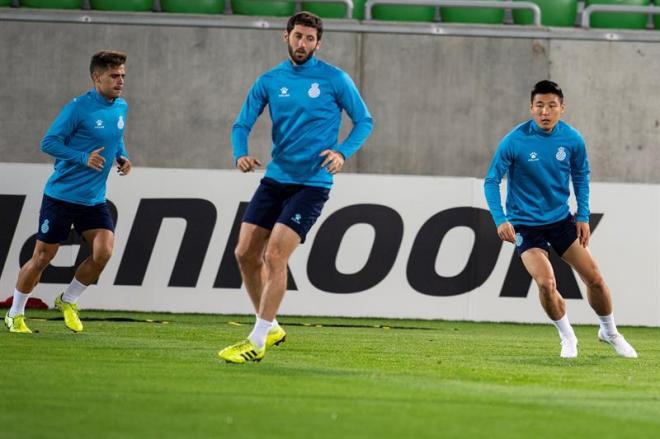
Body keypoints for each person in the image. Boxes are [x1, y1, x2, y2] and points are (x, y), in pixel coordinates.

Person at [218, 12, 373, 363]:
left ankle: (256, 342)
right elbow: (241, 124)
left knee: (274, 255)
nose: (302, 44)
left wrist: (342, 152)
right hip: (275, 179)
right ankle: (270, 325)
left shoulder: (335, 79)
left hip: (312, 183)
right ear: (285, 36)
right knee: (244, 254)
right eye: (298, 36)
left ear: (318, 43)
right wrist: (240, 154)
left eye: (309, 39)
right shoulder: (270, 80)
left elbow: (364, 120)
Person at [484, 80, 637, 358]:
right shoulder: (514, 140)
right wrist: (500, 219)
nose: (545, 112)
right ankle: (567, 337)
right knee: (546, 284)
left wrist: (583, 215)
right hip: (525, 225)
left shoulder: (573, 140)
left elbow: (581, 177)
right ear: (531, 108)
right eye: (540, 106)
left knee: (596, 280)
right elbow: (492, 180)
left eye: (552, 106)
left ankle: (610, 332)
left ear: (562, 108)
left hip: (560, 221)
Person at [4, 50, 132, 334]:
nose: (120, 80)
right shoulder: (77, 108)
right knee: (42, 258)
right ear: (97, 77)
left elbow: (116, 136)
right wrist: (82, 156)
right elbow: (49, 143)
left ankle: (68, 299)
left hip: (94, 200)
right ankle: (15, 314)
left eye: (122, 75)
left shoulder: (121, 106)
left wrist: (122, 156)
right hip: (61, 197)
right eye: (114, 75)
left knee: (103, 253)